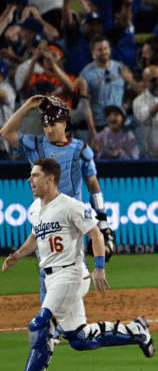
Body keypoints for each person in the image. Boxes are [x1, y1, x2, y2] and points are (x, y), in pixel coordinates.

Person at [2, 158, 154, 371]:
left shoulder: (70, 205)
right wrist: (18, 255)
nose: (30, 179)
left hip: (71, 273)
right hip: (51, 278)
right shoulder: (34, 208)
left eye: (35, 175)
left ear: (50, 179)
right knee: (79, 339)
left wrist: (100, 267)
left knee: (41, 325)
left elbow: (95, 233)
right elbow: (35, 235)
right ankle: (136, 331)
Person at [0, 95, 117, 339]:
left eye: (54, 123)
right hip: (44, 214)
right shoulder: (36, 145)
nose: (49, 128)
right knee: (47, 267)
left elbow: (93, 186)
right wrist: (28, 106)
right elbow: (6, 131)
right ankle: (56, 326)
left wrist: (103, 222)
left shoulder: (81, 150)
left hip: (72, 218)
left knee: (68, 265)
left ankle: (57, 322)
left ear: (65, 123)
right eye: (45, 124)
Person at [79, 35, 127, 130]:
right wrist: (92, 129)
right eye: (100, 50)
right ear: (93, 52)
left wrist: (125, 106)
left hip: (121, 122)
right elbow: (85, 104)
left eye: (106, 48)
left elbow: (130, 91)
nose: (104, 52)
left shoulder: (121, 68)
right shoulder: (85, 74)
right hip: (99, 124)